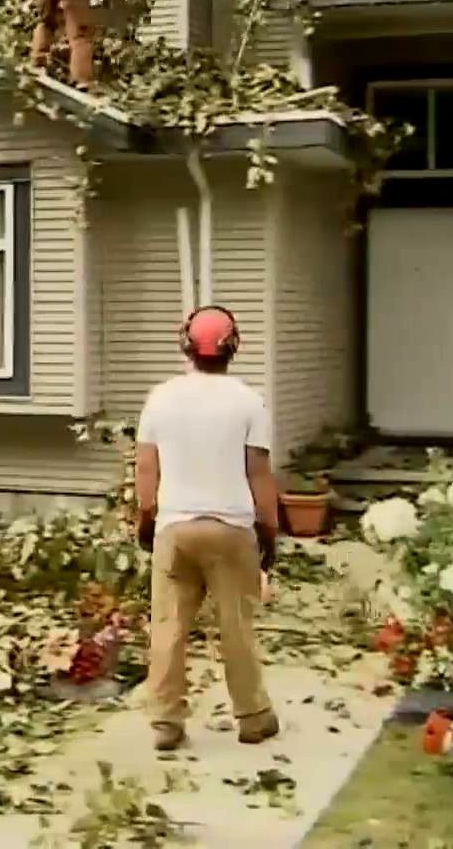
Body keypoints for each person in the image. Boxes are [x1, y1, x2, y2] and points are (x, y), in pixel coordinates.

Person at [133, 305, 282, 752]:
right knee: (235, 625)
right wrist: (269, 532)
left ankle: (165, 722)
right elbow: (259, 473)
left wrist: (146, 519)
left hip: (175, 529)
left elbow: (145, 468)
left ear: (185, 346)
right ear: (233, 347)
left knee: (168, 626)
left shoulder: (160, 398)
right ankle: (253, 716)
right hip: (231, 529)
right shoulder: (248, 402)